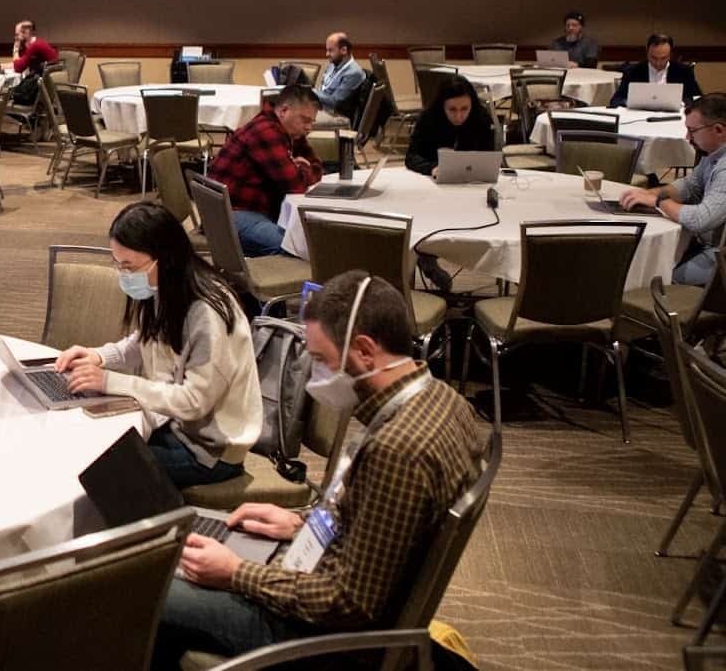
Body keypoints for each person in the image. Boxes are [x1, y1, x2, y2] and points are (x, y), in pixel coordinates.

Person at [151, 271, 486, 668]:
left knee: (148, 585)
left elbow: (347, 603)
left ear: (364, 350)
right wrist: (299, 524)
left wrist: (236, 573)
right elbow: (382, 523)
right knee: (182, 567)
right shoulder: (442, 399)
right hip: (331, 585)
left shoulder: (399, 451)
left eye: (323, 361)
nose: (317, 377)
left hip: (323, 638)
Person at [55, 203, 261, 488]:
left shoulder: (208, 311)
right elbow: (146, 340)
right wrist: (100, 356)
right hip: (173, 425)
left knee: (97, 469)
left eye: (129, 266)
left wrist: (110, 381)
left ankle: (154, 529)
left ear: (164, 258)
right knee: (83, 436)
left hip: (209, 451)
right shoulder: (167, 286)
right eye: (118, 264)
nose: (124, 274)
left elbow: (193, 402)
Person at [619, 93, 726, 286]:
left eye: (692, 131)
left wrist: (658, 201)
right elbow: (690, 186)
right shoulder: (714, 155)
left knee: (655, 277)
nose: (687, 137)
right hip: (708, 244)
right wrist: (650, 193)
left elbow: (700, 219)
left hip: (720, 256)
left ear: (718, 130)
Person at [206, 86, 322, 257]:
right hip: (230, 215)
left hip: (252, 209)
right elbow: (295, 186)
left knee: (307, 240)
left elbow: (317, 167)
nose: (309, 128)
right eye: (305, 120)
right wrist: (304, 171)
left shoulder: (288, 130)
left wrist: (304, 170)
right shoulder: (265, 131)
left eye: (312, 122)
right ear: (284, 111)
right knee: (300, 249)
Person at [403, 75, 495, 177]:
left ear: (472, 105)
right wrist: (431, 168)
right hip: (434, 179)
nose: (458, 116)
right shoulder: (428, 117)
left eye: (464, 109)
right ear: (442, 106)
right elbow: (411, 157)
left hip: (472, 180)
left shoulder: (482, 118)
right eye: (452, 109)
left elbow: (489, 158)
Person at [609, 33, 703, 108]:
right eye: (653, 58)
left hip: (674, 119)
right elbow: (616, 100)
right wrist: (631, 102)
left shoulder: (683, 71)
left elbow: (698, 99)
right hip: (640, 118)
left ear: (670, 54)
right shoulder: (633, 71)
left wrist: (683, 103)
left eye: (663, 58)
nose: (658, 63)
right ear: (647, 52)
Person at [314, 32, 365, 123]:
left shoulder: (353, 73)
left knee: (299, 119)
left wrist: (313, 92)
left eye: (330, 50)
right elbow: (323, 88)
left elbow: (335, 102)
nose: (327, 54)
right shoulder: (333, 64)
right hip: (323, 107)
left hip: (337, 115)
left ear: (344, 50)